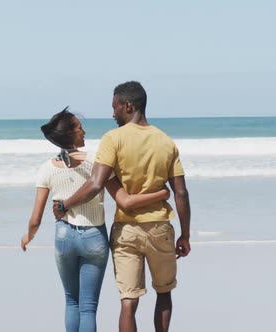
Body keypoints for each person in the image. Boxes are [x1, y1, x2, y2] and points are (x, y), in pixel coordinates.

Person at [53, 81, 191, 332]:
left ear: (128, 106)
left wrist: (65, 205)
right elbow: (180, 192)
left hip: (127, 230)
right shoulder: (165, 141)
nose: (112, 113)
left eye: (115, 107)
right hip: (160, 229)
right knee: (164, 293)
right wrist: (185, 234)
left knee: (129, 301)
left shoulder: (113, 139)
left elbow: (96, 183)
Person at [21, 107, 170, 332]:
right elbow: (124, 199)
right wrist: (162, 193)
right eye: (79, 128)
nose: (84, 132)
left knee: (71, 301)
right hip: (94, 238)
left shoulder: (46, 169)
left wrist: (27, 237)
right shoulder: (96, 163)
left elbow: (36, 219)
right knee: (88, 307)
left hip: (64, 236)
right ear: (70, 134)